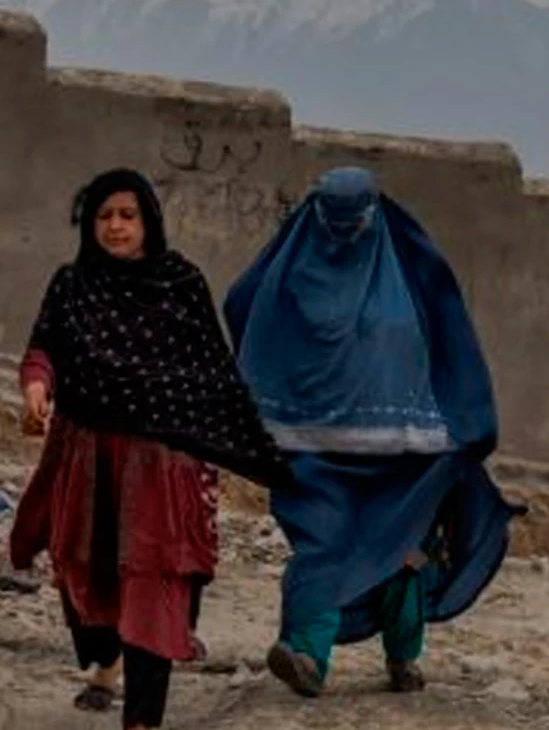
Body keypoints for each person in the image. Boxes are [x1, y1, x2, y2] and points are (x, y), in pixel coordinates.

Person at [223, 167, 520, 698]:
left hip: (394, 454)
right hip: (311, 450)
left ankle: (402, 658)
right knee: (324, 545)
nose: (341, 235)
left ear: (373, 216)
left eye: (352, 222)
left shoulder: (398, 273)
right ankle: (306, 655)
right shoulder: (302, 272)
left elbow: (449, 337)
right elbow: (243, 304)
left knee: (400, 556)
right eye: (331, 221)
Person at [10, 169, 288, 730]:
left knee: (153, 586)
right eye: (104, 216)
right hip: (86, 462)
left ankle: (142, 719)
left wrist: (212, 445)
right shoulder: (72, 284)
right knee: (84, 577)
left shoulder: (180, 283)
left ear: (148, 222)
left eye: (127, 215)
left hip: (162, 467)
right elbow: (45, 346)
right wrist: (37, 384)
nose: (116, 227)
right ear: (90, 225)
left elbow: (212, 372)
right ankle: (104, 656)